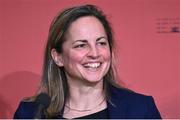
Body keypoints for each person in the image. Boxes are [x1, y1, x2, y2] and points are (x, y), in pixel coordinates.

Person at [14, 4, 161, 119]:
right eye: (81, 45)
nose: (95, 53)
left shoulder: (141, 109)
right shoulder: (30, 113)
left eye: (101, 43)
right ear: (58, 57)